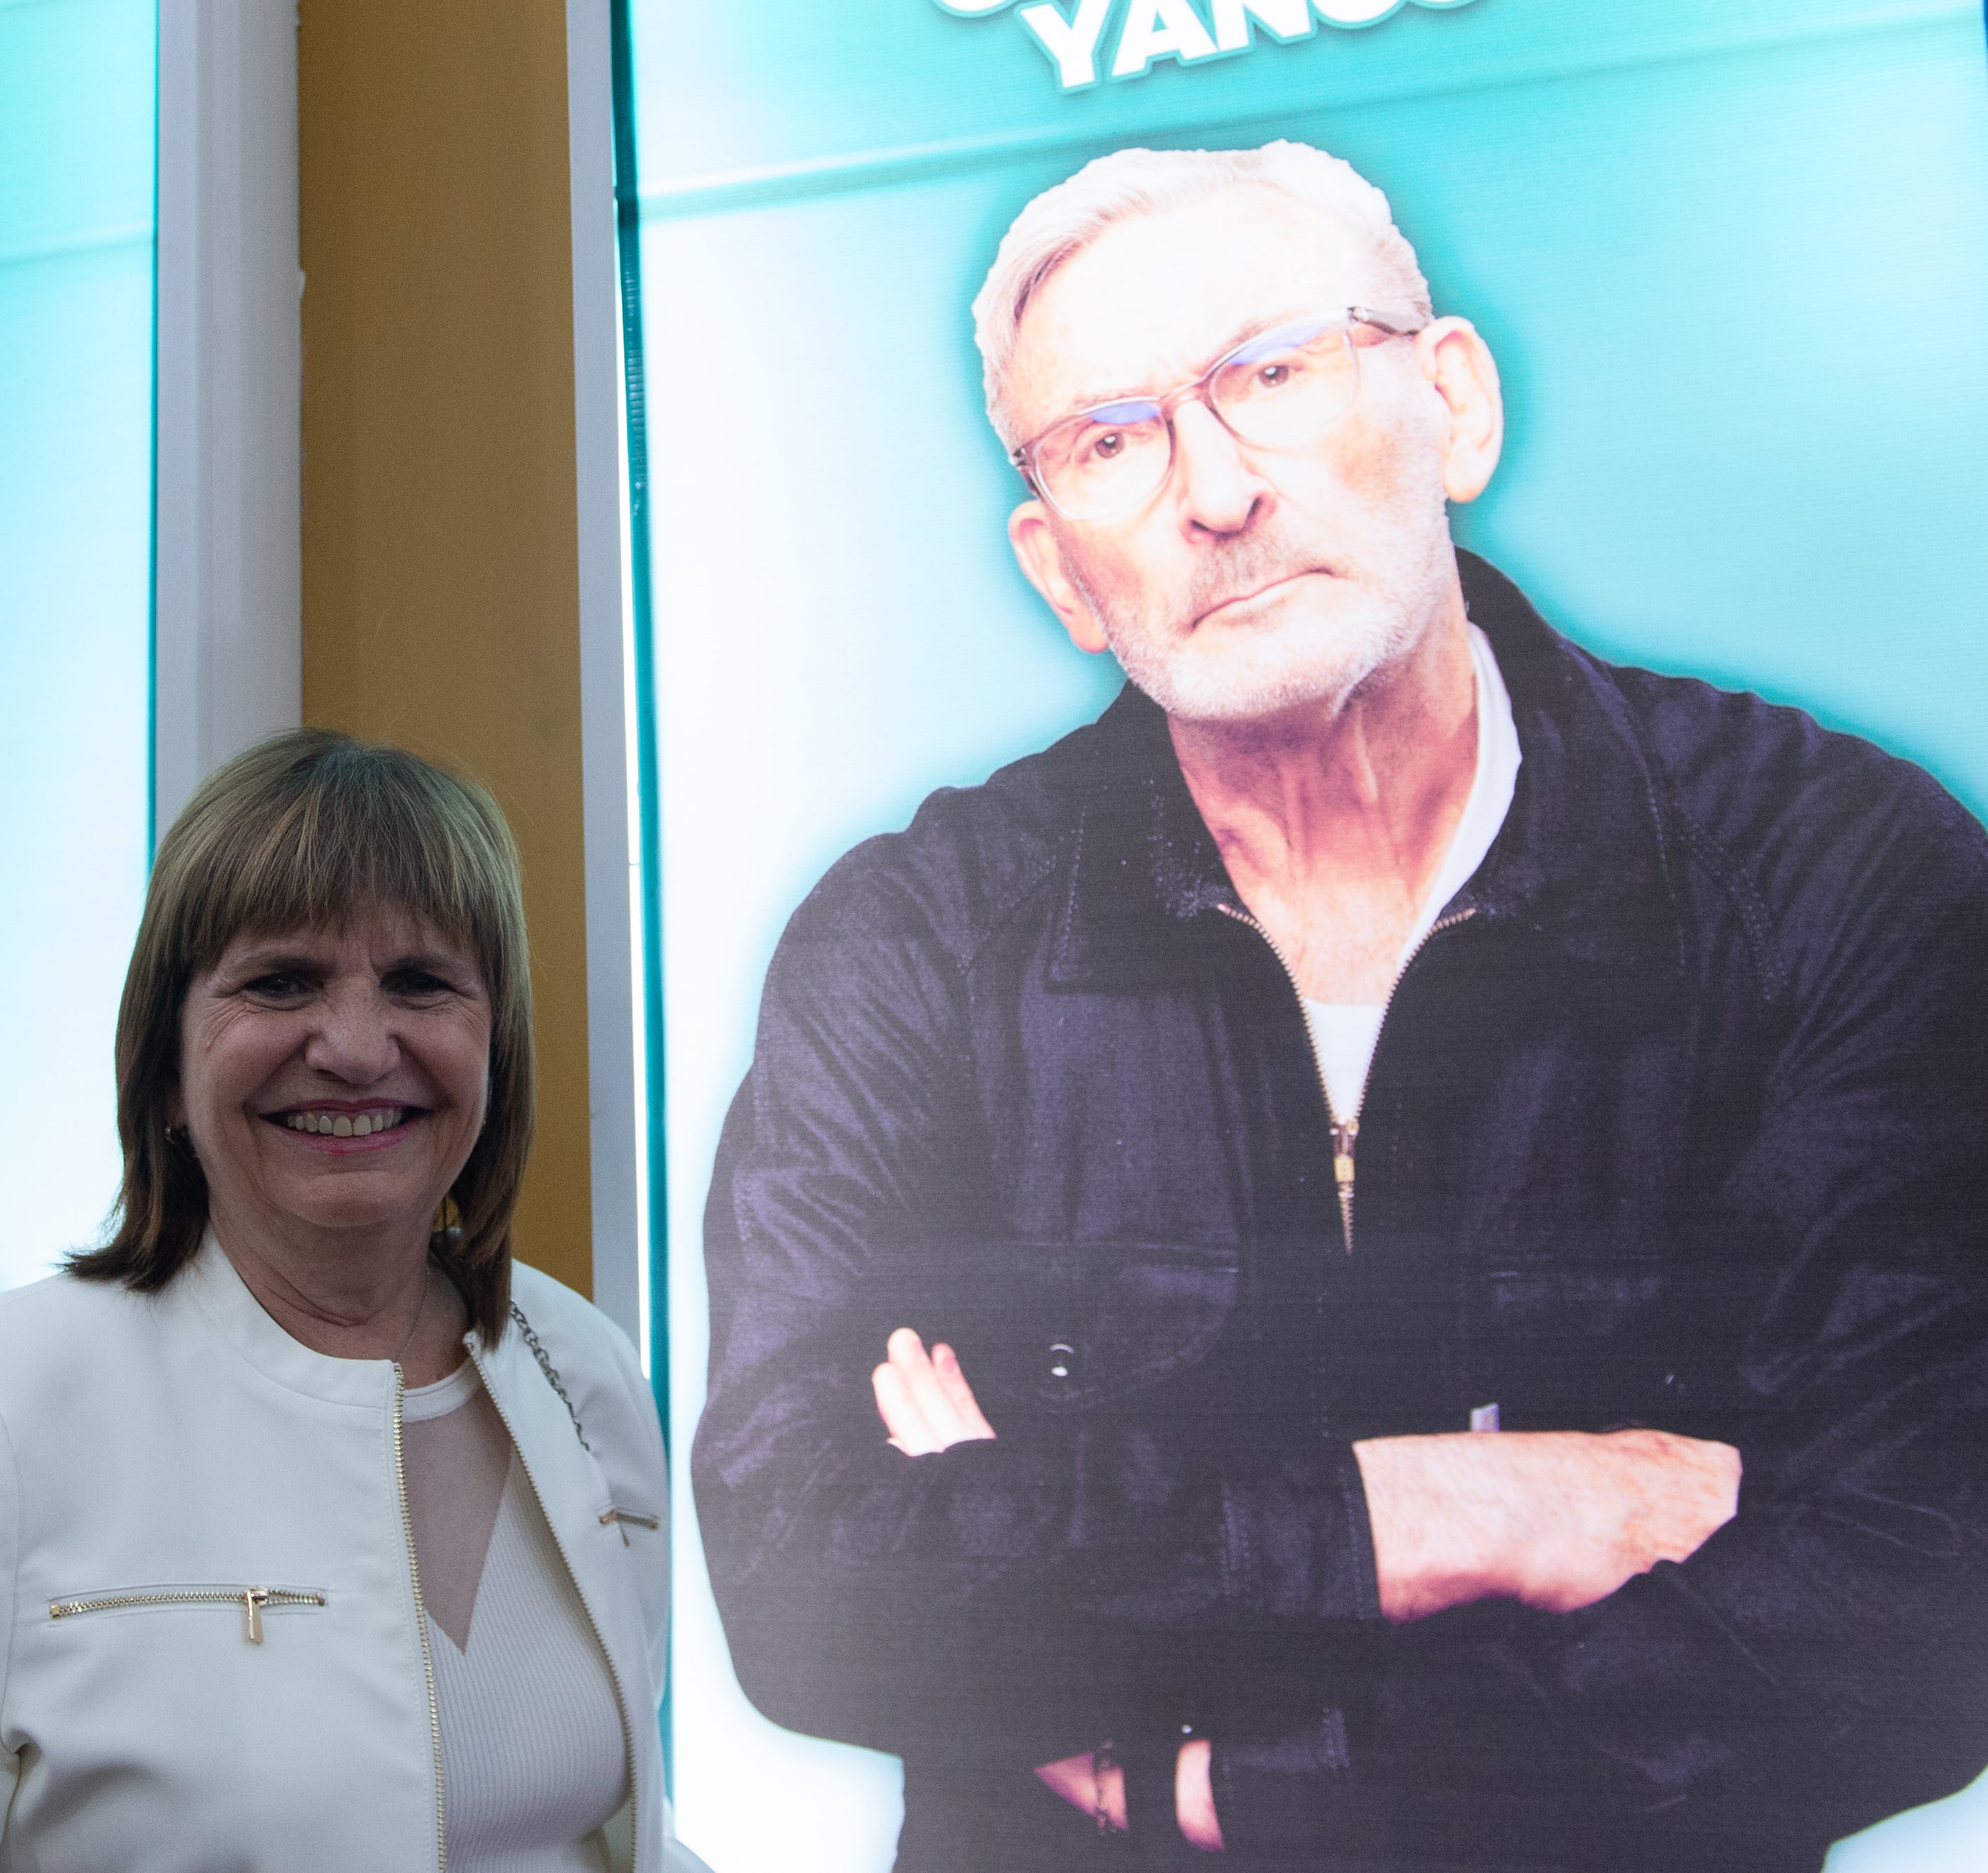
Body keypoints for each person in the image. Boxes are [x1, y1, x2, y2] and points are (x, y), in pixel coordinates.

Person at [691, 140, 1988, 1870]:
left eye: (1271, 374)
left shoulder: (1827, 869)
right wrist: (1478, 1508)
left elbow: (1919, 1580)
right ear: (1059, 570)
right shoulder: (910, 943)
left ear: (1449, 404)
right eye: (1110, 441)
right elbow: (807, 1579)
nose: (1212, 492)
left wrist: (1275, 1778)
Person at [0, 728, 705, 1872]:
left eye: (420, 982)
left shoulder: (582, 1369)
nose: (354, 1046)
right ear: (163, 1068)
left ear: (494, 1046)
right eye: (280, 980)